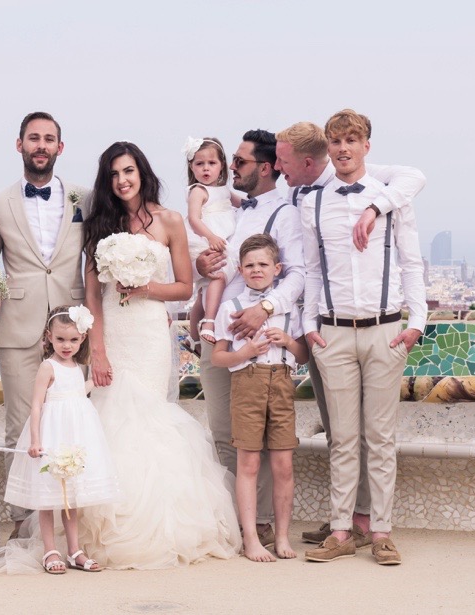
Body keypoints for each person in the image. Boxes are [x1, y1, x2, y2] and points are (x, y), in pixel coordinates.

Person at [78, 141, 241, 569]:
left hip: (149, 332)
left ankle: (163, 526)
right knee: (110, 417)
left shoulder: (169, 220)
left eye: (128, 171)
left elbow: (185, 287)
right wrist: (97, 348)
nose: (122, 180)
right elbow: (93, 292)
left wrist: (144, 288)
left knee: (148, 418)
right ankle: (106, 526)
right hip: (112, 331)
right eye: (113, 174)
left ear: (142, 172)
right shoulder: (99, 223)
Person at [274, 120, 426, 546]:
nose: (343, 149)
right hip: (333, 334)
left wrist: (416, 323)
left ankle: (381, 533)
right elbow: (312, 269)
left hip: (385, 331)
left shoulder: (390, 196)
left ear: (366, 146)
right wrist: (308, 325)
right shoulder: (313, 203)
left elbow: (412, 264)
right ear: (328, 148)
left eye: (351, 141)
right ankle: (341, 531)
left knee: (380, 439)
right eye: (336, 142)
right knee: (341, 439)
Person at [196, 129, 305, 549]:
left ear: (264, 167)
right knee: (226, 432)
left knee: (257, 442)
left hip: (258, 334)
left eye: (239, 162)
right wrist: (205, 269)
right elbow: (222, 269)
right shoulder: (232, 208)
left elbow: (296, 272)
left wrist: (267, 308)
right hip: (224, 330)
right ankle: (235, 521)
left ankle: (260, 524)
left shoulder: (285, 213)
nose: (230, 169)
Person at [0, 112, 90, 535]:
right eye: (34, 138)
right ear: (20, 145)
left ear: (60, 148)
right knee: (19, 424)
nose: (41, 145)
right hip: (17, 326)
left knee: (73, 422)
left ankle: (71, 522)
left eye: (49, 139)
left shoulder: (86, 197)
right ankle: (22, 523)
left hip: (73, 326)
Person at [212, 234, 308, 562]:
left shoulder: (288, 308)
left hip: (281, 384)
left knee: (283, 464)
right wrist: (247, 351)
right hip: (246, 385)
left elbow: (303, 354)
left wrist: (289, 342)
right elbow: (218, 358)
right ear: (240, 269)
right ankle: (251, 538)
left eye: (263, 264)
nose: (256, 270)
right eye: (250, 265)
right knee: (248, 463)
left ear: (277, 268)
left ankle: (282, 536)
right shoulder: (231, 307)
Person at [4, 305, 118, 574]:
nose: (67, 346)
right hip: (52, 434)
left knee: (71, 498)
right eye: (60, 339)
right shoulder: (48, 366)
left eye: (74, 340)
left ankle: (74, 549)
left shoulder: (78, 367)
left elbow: (77, 394)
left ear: (82, 339)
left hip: (75, 436)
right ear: (48, 337)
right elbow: (36, 405)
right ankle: (50, 550)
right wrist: (35, 440)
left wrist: (95, 384)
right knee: (48, 496)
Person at [181, 136, 238, 346]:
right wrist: (211, 237)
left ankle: (192, 339)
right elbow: (194, 219)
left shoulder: (223, 190)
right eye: (200, 164)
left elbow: (243, 202)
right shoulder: (198, 190)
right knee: (217, 277)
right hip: (206, 239)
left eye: (211, 163)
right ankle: (209, 322)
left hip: (220, 238)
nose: (206, 169)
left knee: (202, 293)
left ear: (222, 165)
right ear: (191, 167)